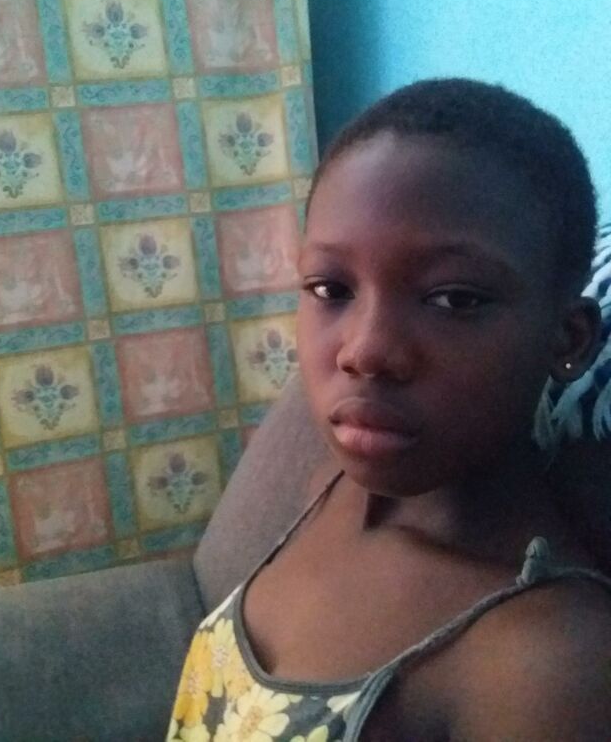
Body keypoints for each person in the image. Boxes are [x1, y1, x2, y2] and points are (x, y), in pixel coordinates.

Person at [167, 79, 611, 741]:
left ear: (568, 339)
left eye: (454, 299)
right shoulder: (327, 488)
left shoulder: (543, 661)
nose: (365, 350)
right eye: (330, 288)